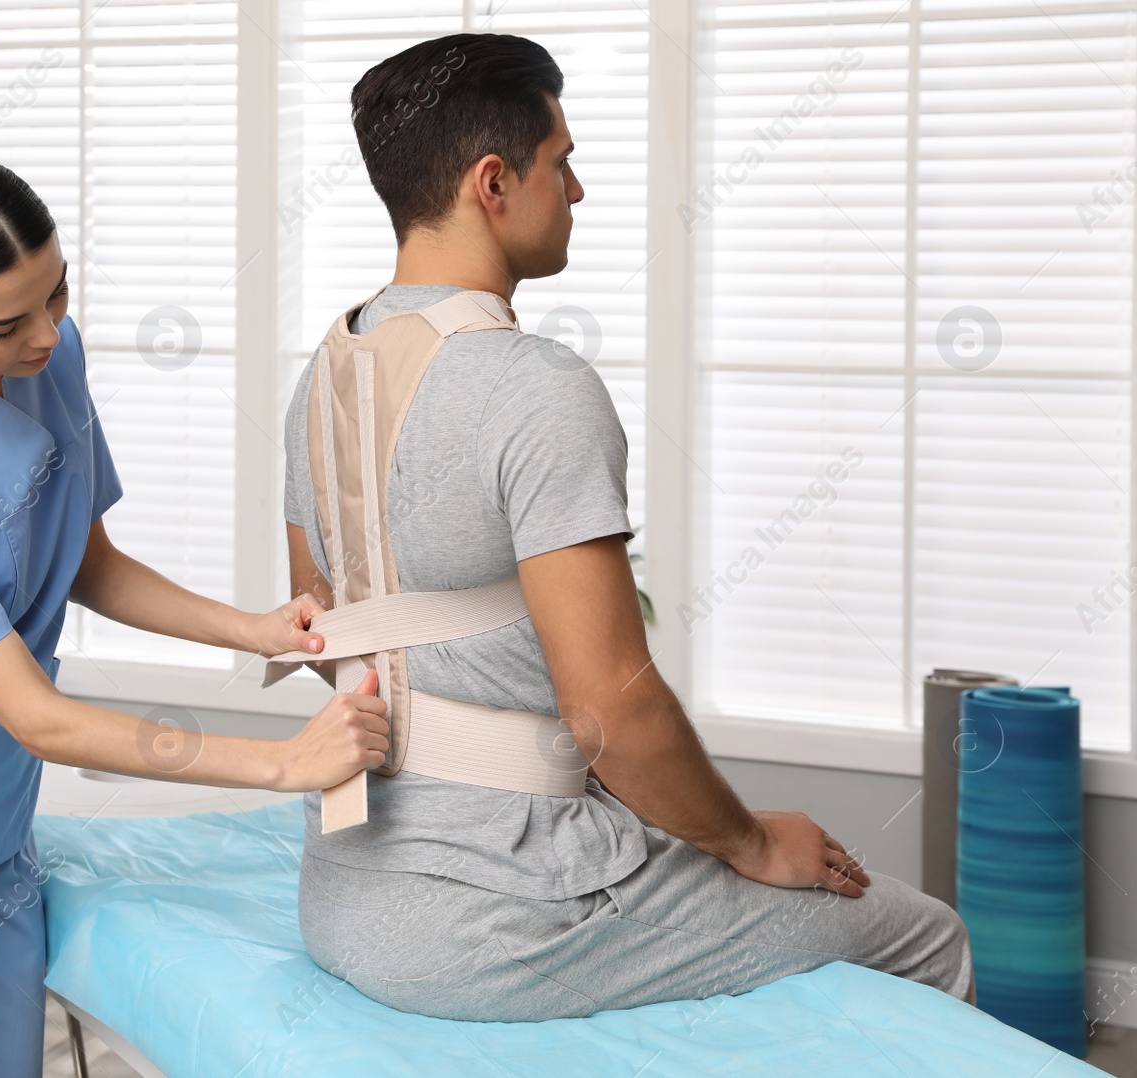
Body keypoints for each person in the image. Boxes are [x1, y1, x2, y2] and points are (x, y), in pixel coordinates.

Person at [282, 33, 975, 1023]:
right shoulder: (533, 387)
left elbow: (323, 644)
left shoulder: (321, 377)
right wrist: (748, 842)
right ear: (493, 183)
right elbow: (612, 713)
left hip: (342, 887)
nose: (576, 190)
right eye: (560, 162)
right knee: (923, 933)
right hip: (494, 921)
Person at [0, 151, 390, 1077]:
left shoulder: (49, 355)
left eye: (59, 294)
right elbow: (35, 713)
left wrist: (252, 629)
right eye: (8, 323)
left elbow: (86, 562)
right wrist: (285, 762)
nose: (45, 334)